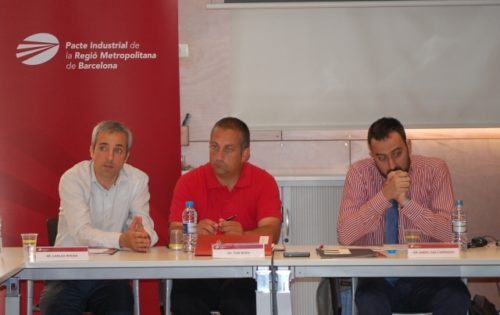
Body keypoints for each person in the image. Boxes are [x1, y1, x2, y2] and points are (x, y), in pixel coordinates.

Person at [337, 117, 470, 315]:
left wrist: (406, 203)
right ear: (372, 156)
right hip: (378, 279)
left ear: (409, 146)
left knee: (456, 296)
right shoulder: (358, 174)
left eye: (397, 153)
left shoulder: (434, 170)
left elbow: (450, 235)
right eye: (381, 158)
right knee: (368, 301)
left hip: (430, 276)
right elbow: (345, 235)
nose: (391, 165)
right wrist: (384, 196)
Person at [40, 120, 158, 315]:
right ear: (91, 151)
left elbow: (144, 223)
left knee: (120, 309)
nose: (110, 157)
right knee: (56, 308)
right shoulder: (72, 178)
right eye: (103, 148)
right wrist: (123, 239)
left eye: (118, 150)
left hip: (110, 275)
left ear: (127, 156)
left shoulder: (138, 180)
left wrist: (142, 236)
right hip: (67, 273)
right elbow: (82, 233)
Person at [168, 117, 282, 315]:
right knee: (185, 301)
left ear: (245, 154)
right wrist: (192, 231)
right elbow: (174, 232)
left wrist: (245, 234)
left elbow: (272, 232)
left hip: (245, 273)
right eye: (214, 147)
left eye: (228, 149)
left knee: (241, 303)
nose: (218, 156)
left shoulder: (264, 181)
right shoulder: (189, 182)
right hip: (198, 272)